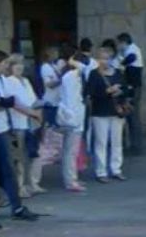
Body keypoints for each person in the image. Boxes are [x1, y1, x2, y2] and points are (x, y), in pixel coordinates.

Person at [0, 49, 38, 221]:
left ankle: (17, 206)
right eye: (4, 63)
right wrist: (3, 103)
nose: (6, 66)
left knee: (9, 169)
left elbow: (10, 101)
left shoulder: (2, 80)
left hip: (3, 128)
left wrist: (30, 112)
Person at [87, 47, 128, 183]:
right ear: (97, 60)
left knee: (117, 142)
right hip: (100, 111)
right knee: (101, 142)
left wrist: (120, 92)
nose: (104, 61)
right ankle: (101, 171)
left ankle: (116, 169)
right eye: (101, 59)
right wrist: (107, 91)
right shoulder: (94, 74)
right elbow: (89, 92)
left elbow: (126, 88)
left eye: (107, 58)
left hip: (116, 111)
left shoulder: (117, 73)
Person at [5, 54, 44, 197]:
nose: (19, 67)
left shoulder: (26, 81)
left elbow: (32, 99)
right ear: (10, 67)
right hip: (18, 122)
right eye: (16, 64)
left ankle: (30, 183)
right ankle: (19, 187)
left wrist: (37, 111)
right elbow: (15, 102)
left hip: (30, 122)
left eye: (21, 64)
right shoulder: (9, 81)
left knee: (29, 155)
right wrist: (30, 112)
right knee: (19, 157)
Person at [57, 48, 87, 192]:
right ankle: (70, 180)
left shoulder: (73, 76)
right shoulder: (70, 76)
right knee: (70, 151)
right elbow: (85, 68)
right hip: (72, 117)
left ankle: (72, 177)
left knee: (72, 151)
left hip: (75, 116)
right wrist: (74, 61)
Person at [116, 33, 144, 155]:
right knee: (132, 117)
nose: (119, 46)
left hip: (133, 88)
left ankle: (136, 146)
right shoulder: (131, 50)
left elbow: (131, 58)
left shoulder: (132, 50)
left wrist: (122, 63)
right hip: (132, 87)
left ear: (123, 42)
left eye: (119, 43)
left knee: (132, 117)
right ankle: (134, 145)